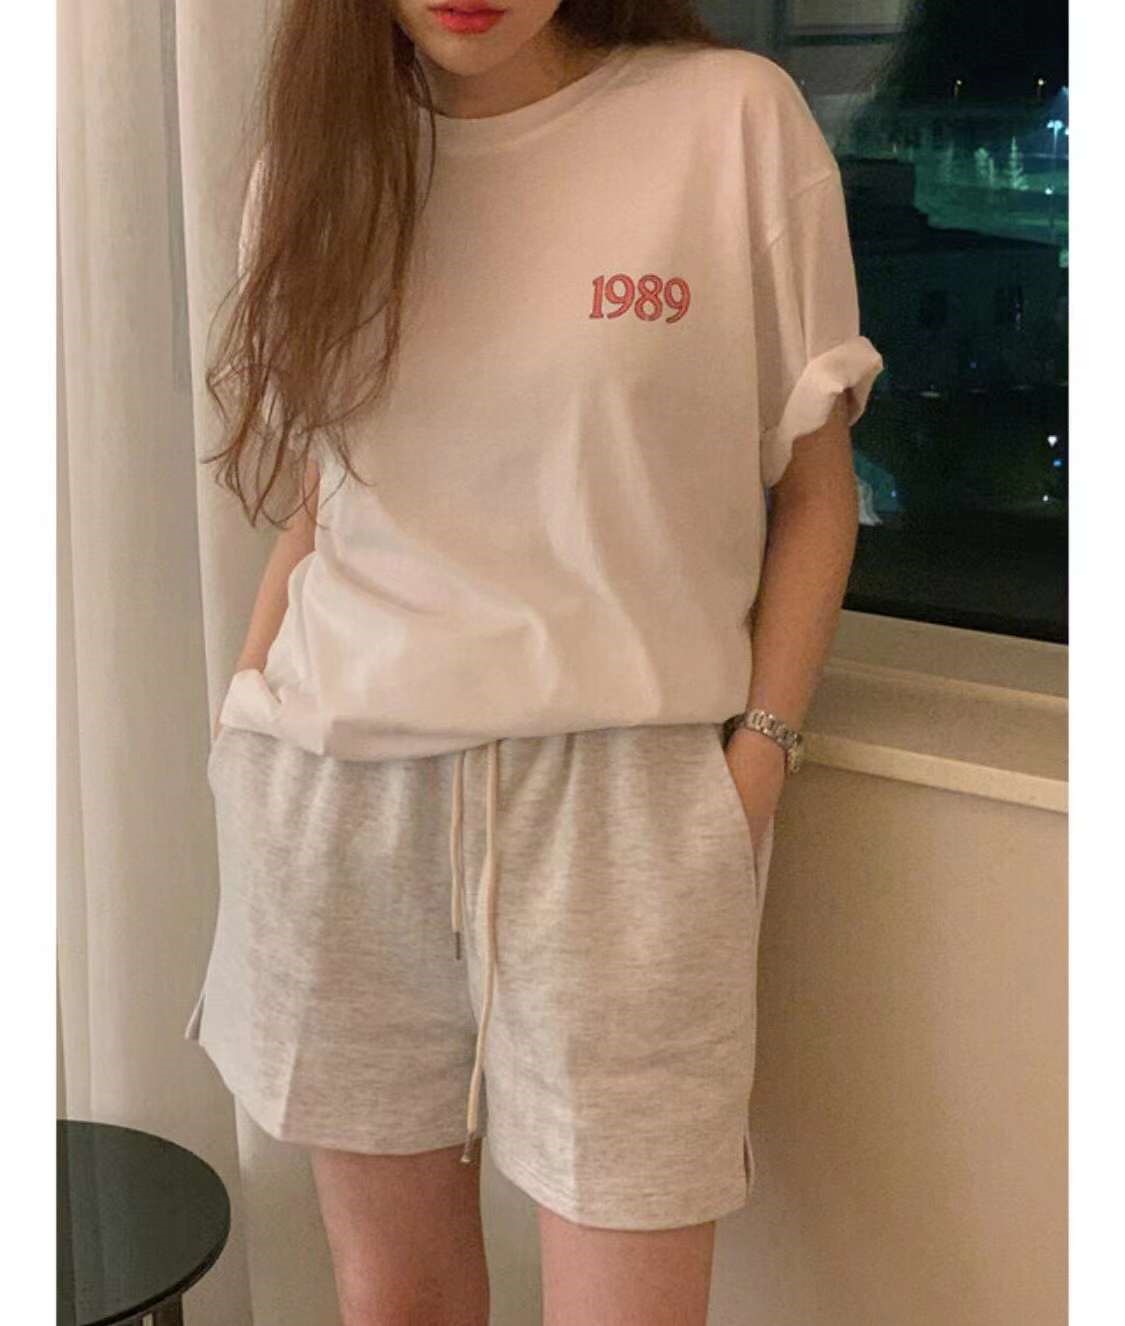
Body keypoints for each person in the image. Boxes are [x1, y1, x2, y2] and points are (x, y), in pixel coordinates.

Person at [184, 2, 884, 1322]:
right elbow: (325, 501)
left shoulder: (729, 121)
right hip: (336, 796)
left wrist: (752, 768)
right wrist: (245, 717)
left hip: (623, 810)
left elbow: (815, 495)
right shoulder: (319, 161)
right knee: (398, 1303)